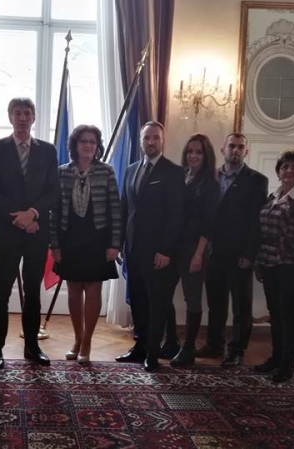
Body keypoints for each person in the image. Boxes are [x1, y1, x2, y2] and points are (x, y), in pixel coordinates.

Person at [0, 97, 60, 369]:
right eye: (18, 113)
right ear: (10, 117)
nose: (23, 118)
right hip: (7, 232)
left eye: (28, 113)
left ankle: (32, 346)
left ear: (34, 118)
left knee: (33, 293)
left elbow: (53, 191)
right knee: (1, 293)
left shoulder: (48, 150)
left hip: (37, 232)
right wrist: (19, 217)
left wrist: (33, 214)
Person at [196, 132, 268, 368]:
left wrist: (249, 254)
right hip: (213, 252)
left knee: (241, 305)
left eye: (240, 147)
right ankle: (214, 344)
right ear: (222, 149)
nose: (235, 150)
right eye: (231, 146)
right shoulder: (211, 177)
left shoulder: (256, 180)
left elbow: (256, 221)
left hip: (240, 254)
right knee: (215, 302)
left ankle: (237, 350)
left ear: (246, 151)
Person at [117, 120, 185, 372]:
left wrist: (166, 250)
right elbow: (125, 209)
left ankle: (153, 353)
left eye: (155, 137)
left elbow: (176, 215)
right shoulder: (131, 169)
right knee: (137, 299)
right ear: (141, 141)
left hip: (158, 252)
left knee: (156, 303)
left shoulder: (173, 172)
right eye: (147, 138)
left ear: (163, 141)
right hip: (133, 248)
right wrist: (119, 243)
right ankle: (140, 345)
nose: (151, 142)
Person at [50, 125, 121, 364]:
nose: (88, 145)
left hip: (97, 238)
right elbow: (54, 211)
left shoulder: (106, 171)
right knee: (73, 291)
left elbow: (115, 209)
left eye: (92, 141)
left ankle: (88, 341)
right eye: (83, 141)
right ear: (75, 145)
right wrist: (54, 244)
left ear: (97, 146)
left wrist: (115, 243)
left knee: (92, 290)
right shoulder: (62, 172)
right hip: (70, 237)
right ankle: (77, 339)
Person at [253, 150, 294, 383]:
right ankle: (276, 357)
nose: (289, 170)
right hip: (268, 263)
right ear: (278, 171)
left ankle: (287, 364)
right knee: (275, 312)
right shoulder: (272, 197)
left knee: (287, 314)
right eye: (285, 167)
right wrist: (258, 263)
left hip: (290, 265)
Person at [163, 134, 220, 367]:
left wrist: (198, 253)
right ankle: (171, 341)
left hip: (194, 248)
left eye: (198, 152)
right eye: (190, 151)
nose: (193, 156)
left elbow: (209, 223)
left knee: (193, 298)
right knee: (164, 293)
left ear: (206, 156)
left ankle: (188, 349)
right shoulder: (180, 177)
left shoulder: (211, 184)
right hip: (174, 246)